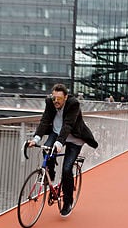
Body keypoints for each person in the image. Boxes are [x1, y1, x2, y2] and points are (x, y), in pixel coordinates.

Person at [28, 83, 98, 217]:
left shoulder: (73, 104)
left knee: (67, 169)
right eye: (54, 98)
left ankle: (67, 202)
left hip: (74, 137)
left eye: (59, 99)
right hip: (56, 133)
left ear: (65, 97)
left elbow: (68, 125)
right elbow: (45, 120)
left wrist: (59, 143)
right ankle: (51, 174)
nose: (55, 101)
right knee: (46, 151)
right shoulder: (50, 102)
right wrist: (35, 139)